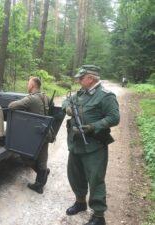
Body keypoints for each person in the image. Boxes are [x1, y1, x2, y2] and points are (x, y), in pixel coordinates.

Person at [62, 65, 120, 225]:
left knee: (95, 179)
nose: (79, 80)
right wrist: (67, 107)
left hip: (94, 145)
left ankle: (99, 216)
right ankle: (80, 202)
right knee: (75, 175)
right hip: (76, 143)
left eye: (81, 78)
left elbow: (114, 118)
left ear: (91, 78)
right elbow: (68, 100)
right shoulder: (81, 93)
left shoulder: (105, 96)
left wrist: (94, 126)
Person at [8, 76, 52, 194]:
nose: (27, 86)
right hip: (45, 132)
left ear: (32, 86)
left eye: (28, 84)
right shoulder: (45, 96)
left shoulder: (31, 99)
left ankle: (40, 178)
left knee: (25, 156)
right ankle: (40, 183)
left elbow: (12, 106)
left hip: (35, 134)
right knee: (43, 159)